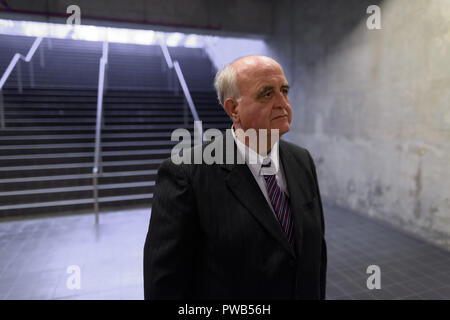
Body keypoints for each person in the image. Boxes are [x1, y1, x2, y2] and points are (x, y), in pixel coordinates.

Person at [143, 55, 327, 300]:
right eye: (267, 94)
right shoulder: (187, 172)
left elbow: (315, 254)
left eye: (284, 90)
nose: (283, 103)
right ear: (234, 109)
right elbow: (164, 284)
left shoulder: (301, 160)